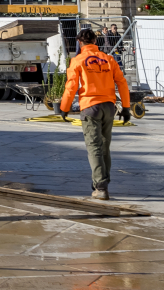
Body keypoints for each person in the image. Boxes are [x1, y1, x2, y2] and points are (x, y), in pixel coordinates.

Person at [59, 28, 132, 200]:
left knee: (94, 147)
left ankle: (100, 187)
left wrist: (64, 108)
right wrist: (127, 107)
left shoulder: (78, 61)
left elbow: (71, 87)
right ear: (95, 42)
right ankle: (103, 180)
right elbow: (122, 83)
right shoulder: (108, 59)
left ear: (79, 42)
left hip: (90, 107)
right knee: (105, 145)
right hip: (109, 106)